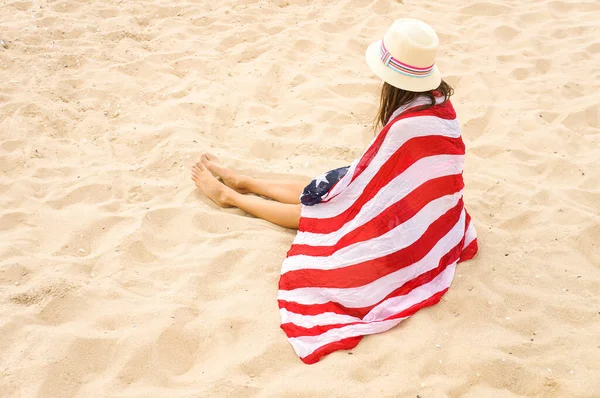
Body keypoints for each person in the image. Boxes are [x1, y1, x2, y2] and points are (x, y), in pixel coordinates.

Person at [192, 18, 478, 364]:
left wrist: (358, 196)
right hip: (432, 213)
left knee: (327, 217)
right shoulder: (438, 103)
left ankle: (231, 197)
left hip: (409, 222)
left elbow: (388, 179)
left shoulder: (409, 123)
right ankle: (245, 181)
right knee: (333, 188)